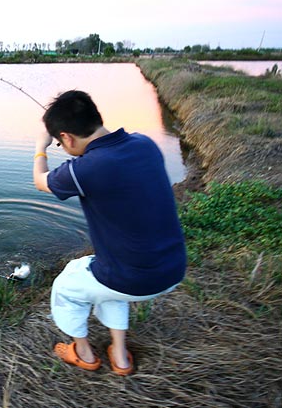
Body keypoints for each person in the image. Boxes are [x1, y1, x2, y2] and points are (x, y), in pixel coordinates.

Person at [33, 90, 186, 375]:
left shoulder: (87, 167)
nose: (63, 148)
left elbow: (40, 181)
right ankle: (120, 356)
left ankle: (83, 352)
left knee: (65, 287)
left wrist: (40, 147)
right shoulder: (144, 144)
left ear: (66, 137)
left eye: (59, 143)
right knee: (98, 273)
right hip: (173, 269)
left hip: (136, 278)